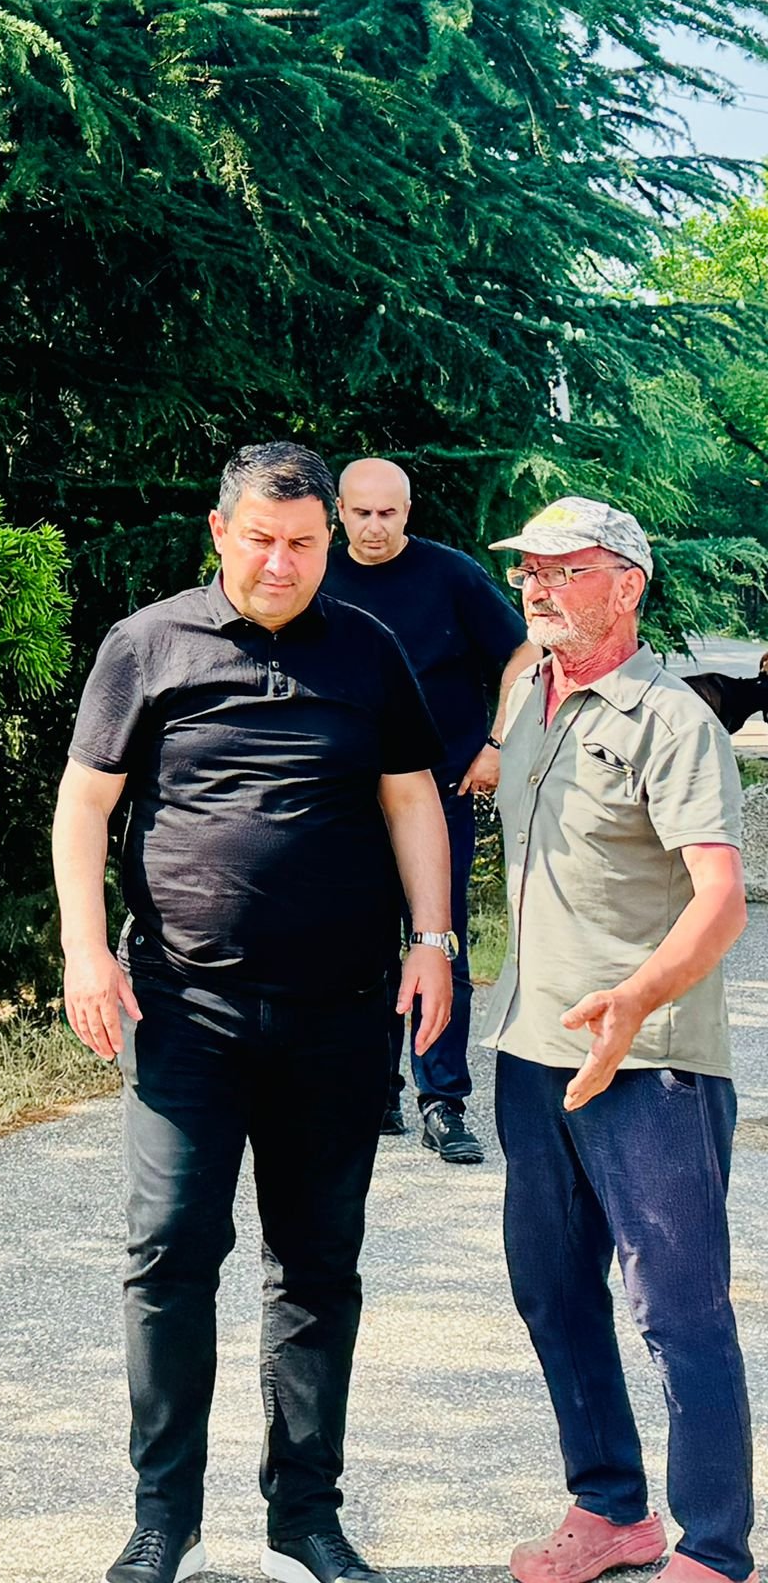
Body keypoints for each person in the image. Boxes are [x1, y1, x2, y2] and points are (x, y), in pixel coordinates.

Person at [52, 441, 453, 1583]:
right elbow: (86, 804)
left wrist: (433, 942)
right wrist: (86, 949)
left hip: (341, 1010)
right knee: (168, 1255)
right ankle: (163, 1520)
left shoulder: (367, 649)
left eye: (305, 543)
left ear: (330, 543)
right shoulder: (147, 644)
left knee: (317, 1267)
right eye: (262, 540)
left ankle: (305, 1519)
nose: (282, 563)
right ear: (220, 533)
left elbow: (411, 799)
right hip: (185, 1009)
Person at [481, 495, 757, 1583]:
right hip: (533, 1050)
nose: (538, 586)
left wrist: (636, 998)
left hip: (651, 1064)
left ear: (628, 585)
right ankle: (609, 1510)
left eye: (566, 569)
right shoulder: (531, 696)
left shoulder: (672, 722)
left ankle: (715, 1547)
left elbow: (720, 901)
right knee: (551, 1292)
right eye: (529, 569)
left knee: (679, 1312)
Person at [322, 458, 537, 1163]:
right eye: (361, 513)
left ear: (407, 512)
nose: (374, 526)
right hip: (346, 796)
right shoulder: (316, 575)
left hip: (439, 792)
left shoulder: (449, 575)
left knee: (438, 940)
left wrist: (497, 744)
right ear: (339, 512)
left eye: (388, 513)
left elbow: (523, 654)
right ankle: (373, 1091)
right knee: (355, 943)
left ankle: (442, 1101)